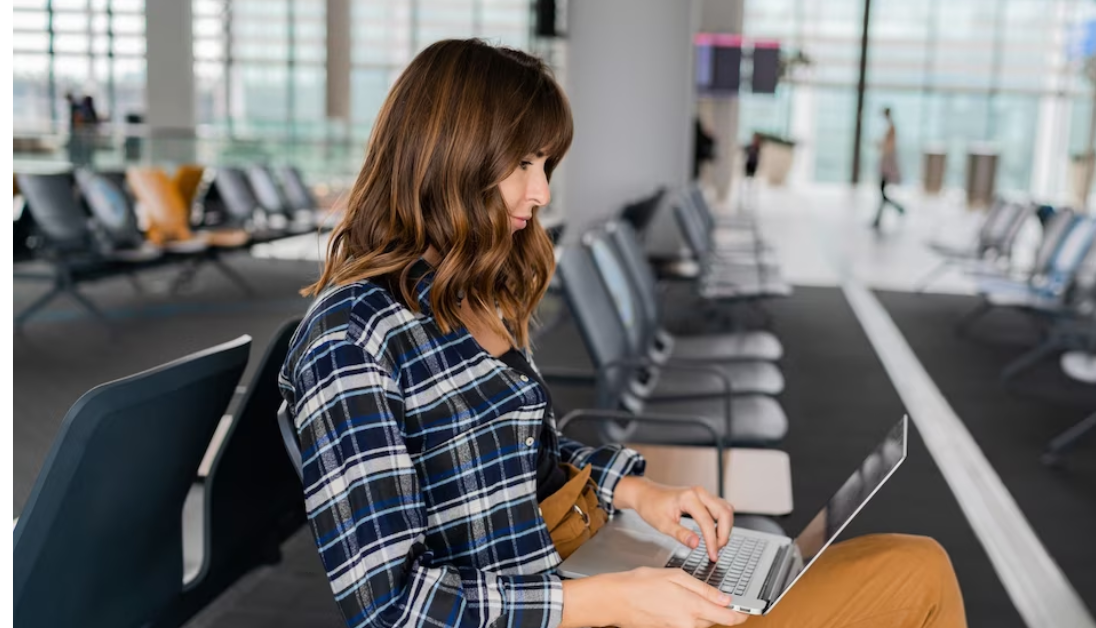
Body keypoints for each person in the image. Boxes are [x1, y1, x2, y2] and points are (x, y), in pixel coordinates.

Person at [280, 38, 966, 628]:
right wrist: (612, 602)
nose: (543, 190)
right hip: (568, 604)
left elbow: (533, 456)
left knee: (884, 565)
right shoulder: (352, 341)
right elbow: (390, 609)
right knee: (916, 573)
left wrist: (640, 495)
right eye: (523, 163)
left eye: (545, 164)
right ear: (448, 157)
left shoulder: (465, 293)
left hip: (575, 570)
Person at [872, 107, 906, 230]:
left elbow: (889, 146)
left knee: (882, 191)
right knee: (882, 191)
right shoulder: (890, 127)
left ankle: (896, 210)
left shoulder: (892, 128)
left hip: (888, 163)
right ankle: (880, 218)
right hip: (886, 161)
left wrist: (880, 146)